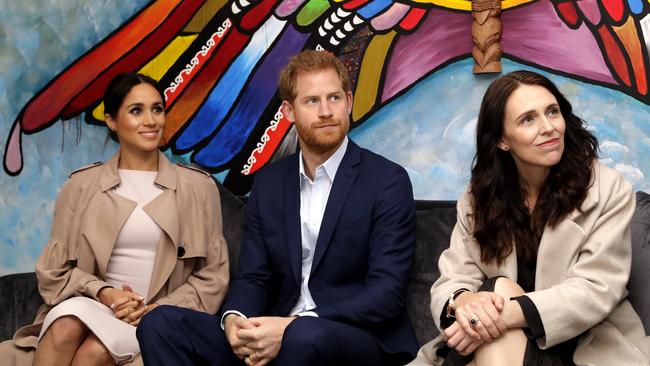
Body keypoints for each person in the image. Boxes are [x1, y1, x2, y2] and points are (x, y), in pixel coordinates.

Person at [137, 50, 419, 365]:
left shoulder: (386, 181)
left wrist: (293, 325)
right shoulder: (270, 182)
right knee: (160, 324)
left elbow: (385, 294)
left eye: (334, 98)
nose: (326, 111)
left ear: (349, 102)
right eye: (312, 101)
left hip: (355, 337)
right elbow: (255, 276)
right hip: (278, 331)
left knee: (303, 336)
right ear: (289, 112)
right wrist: (235, 319)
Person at [409, 70, 650, 366]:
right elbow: (454, 276)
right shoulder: (477, 200)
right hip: (492, 344)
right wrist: (464, 302)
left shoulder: (607, 189)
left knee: (498, 294)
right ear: (501, 140)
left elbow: (595, 289)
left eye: (552, 112)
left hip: (580, 346)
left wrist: (500, 316)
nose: (548, 127)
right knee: (496, 292)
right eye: (528, 119)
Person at [0, 73, 230, 366]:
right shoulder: (80, 186)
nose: (151, 120)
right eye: (136, 110)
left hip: (156, 314)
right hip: (93, 303)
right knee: (62, 329)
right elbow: (53, 271)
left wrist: (156, 311)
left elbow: (213, 276)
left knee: (94, 352)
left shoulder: (199, 188)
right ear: (111, 121)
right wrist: (105, 293)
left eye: (157, 109)